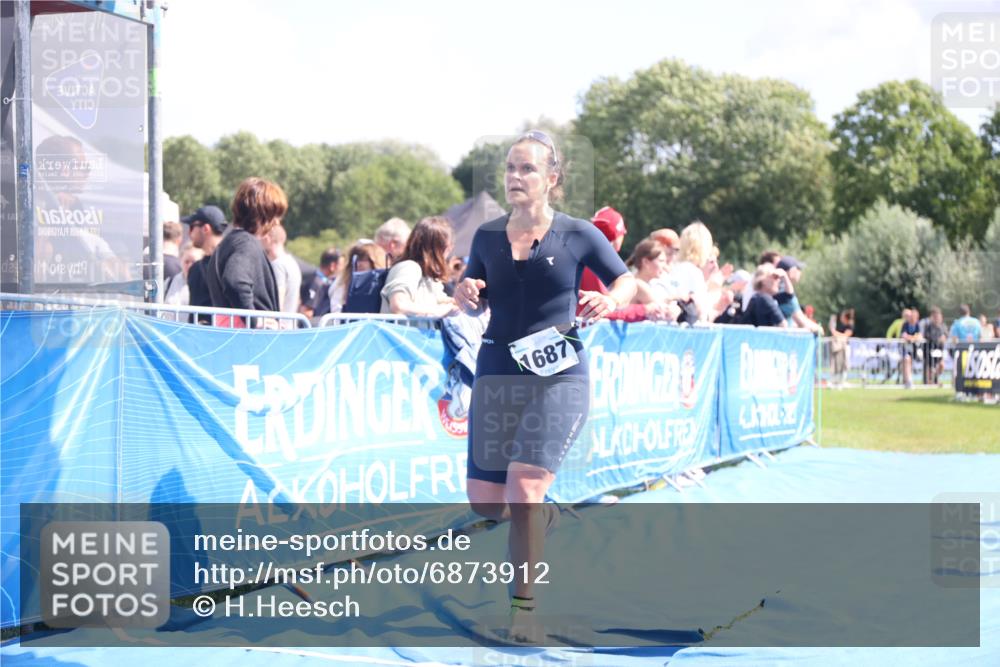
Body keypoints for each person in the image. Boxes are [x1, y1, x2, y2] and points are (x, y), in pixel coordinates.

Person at [454, 130, 636, 643]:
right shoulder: (487, 236)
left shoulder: (578, 233)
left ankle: (524, 610)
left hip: (557, 376)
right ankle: (543, 517)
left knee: (525, 489)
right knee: (486, 503)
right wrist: (465, 291)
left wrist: (613, 299)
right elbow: (472, 292)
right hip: (496, 373)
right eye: (510, 168)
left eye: (527, 169)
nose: (515, 177)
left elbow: (624, 279)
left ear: (552, 179)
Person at [204, 178, 284, 327]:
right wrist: (255, 320)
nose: (277, 222)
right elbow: (235, 281)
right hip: (249, 341)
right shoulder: (246, 243)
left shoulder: (228, 243)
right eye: (275, 215)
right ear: (262, 213)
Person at [579, 207, 670, 321]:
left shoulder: (586, 256)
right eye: (623, 232)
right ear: (617, 235)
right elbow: (602, 313)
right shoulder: (594, 263)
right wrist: (643, 310)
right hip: (586, 334)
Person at [380, 216, 459, 318]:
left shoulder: (428, 277)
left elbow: (435, 300)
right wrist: (441, 310)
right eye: (449, 247)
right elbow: (398, 306)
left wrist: (453, 303)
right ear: (445, 247)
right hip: (400, 333)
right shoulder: (409, 268)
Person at [182, 205, 227, 324]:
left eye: (192, 227)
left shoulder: (228, 265)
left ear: (206, 228)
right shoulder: (196, 268)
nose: (189, 233)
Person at [624, 239, 681, 321]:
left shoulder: (640, 283)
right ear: (646, 262)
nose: (665, 266)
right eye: (661, 261)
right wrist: (675, 308)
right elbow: (664, 311)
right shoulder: (638, 284)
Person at [331, 241, 388, 314]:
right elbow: (336, 312)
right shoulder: (343, 284)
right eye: (356, 259)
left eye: (364, 259)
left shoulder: (385, 281)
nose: (359, 263)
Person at [261, 223, 302, 317]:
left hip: (279, 327)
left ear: (267, 238)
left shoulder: (277, 265)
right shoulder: (292, 263)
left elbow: (278, 299)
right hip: (290, 324)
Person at [775, 257, 822, 335]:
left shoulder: (775, 290)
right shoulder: (786, 294)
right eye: (799, 269)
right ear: (792, 271)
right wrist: (819, 328)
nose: (800, 272)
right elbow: (802, 321)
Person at [739, 263, 787, 328]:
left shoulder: (757, 298)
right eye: (775, 277)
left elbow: (789, 296)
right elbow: (783, 326)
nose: (778, 280)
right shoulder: (765, 299)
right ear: (763, 281)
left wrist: (785, 277)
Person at [301, 248, 342, 321]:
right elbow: (307, 312)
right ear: (332, 266)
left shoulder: (326, 281)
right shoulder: (316, 283)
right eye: (341, 265)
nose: (343, 269)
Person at [829, 308, 855, 388]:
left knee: (844, 364)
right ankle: (836, 380)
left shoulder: (850, 325)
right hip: (839, 347)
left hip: (845, 347)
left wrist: (834, 332)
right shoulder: (842, 325)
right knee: (837, 364)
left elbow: (846, 335)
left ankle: (842, 381)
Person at [923, 306, 948, 385]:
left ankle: (935, 379)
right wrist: (938, 339)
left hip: (940, 350)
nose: (937, 318)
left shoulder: (943, 326)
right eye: (936, 316)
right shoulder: (928, 326)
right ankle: (929, 381)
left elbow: (946, 334)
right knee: (930, 367)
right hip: (929, 350)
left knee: (941, 366)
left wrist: (944, 337)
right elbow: (927, 336)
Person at [900, 307, 923, 389]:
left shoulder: (918, 325)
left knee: (910, 363)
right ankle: (908, 381)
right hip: (905, 349)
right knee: (906, 360)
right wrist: (913, 337)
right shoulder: (905, 324)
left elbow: (919, 336)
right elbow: (904, 335)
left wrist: (912, 338)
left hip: (915, 349)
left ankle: (907, 381)